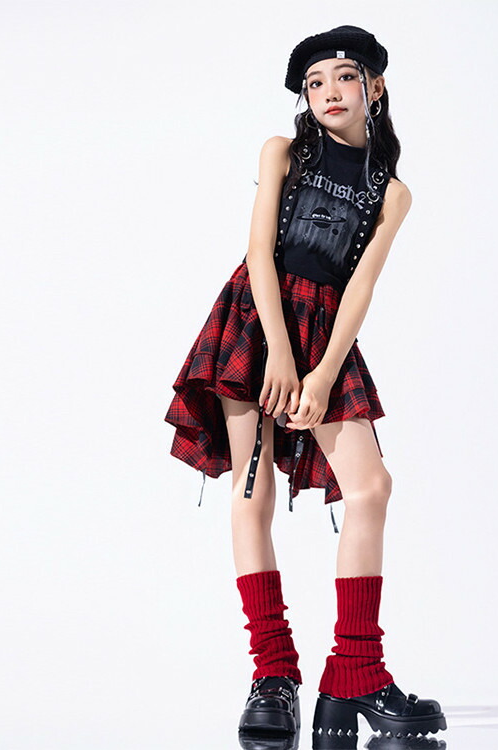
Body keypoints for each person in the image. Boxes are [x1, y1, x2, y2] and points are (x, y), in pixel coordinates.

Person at [164, 24, 447, 743]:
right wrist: (281, 358)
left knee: (370, 488)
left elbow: (361, 288)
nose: (328, 92)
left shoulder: (393, 193)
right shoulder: (282, 152)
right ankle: (273, 675)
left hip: (326, 336)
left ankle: (354, 672)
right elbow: (259, 252)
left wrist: (320, 372)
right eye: (315, 83)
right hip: (256, 317)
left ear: (374, 87)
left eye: (344, 77)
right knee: (251, 488)